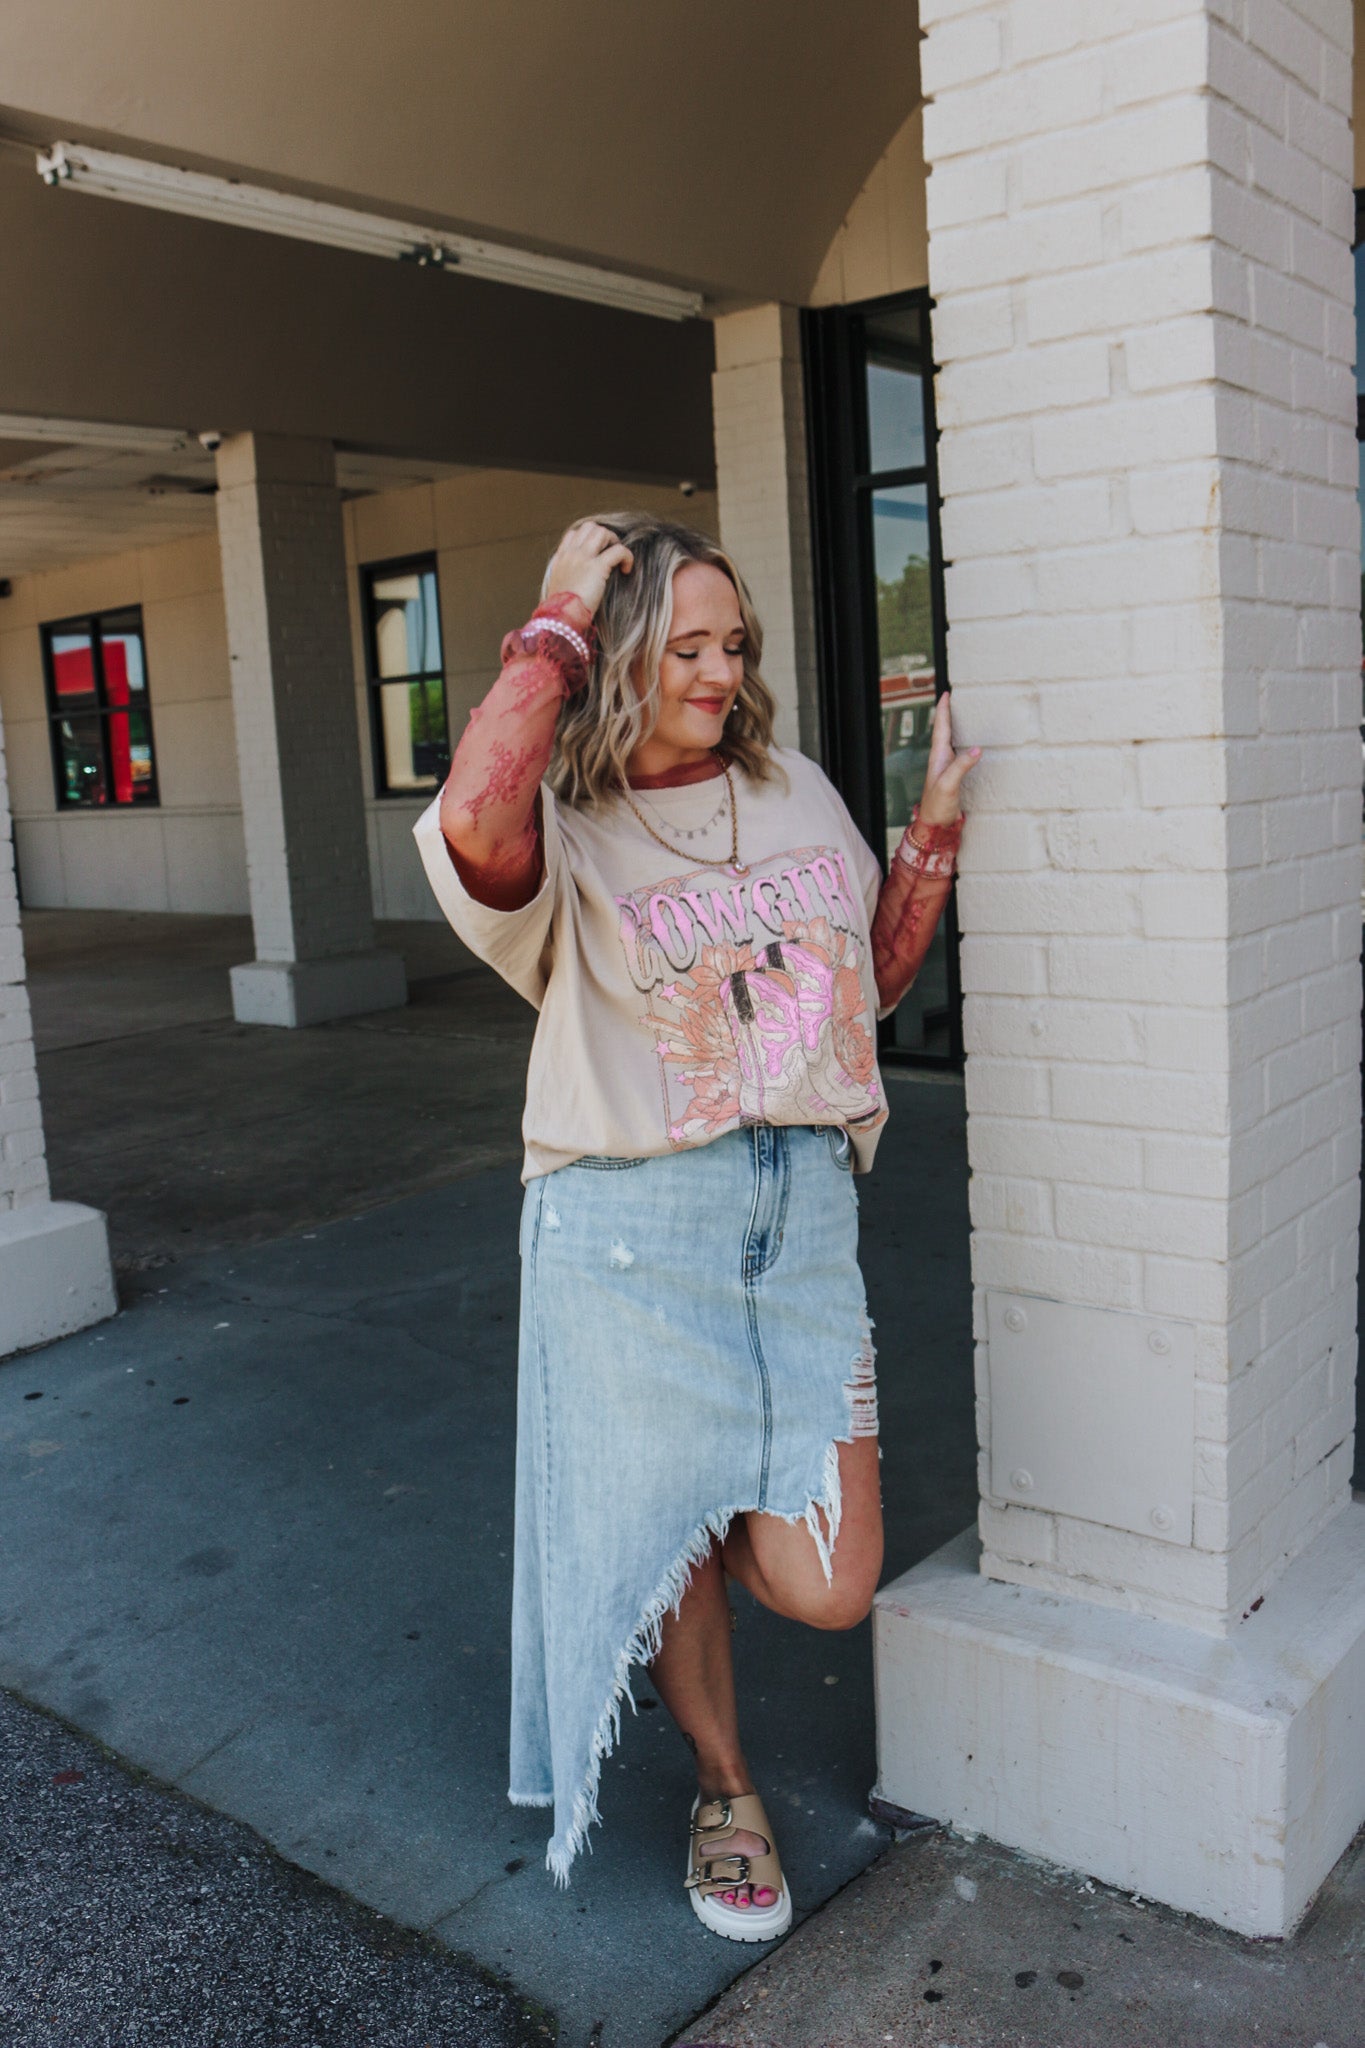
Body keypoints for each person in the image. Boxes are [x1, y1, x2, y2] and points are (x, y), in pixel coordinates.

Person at [414, 514, 978, 1941]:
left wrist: (927, 837)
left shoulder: (788, 789)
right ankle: (726, 1789)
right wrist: (554, 609)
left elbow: (864, 986)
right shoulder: (561, 822)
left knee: (827, 1579)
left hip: (796, 1227)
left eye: (735, 645)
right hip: (627, 1230)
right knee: (671, 1534)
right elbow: (474, 816)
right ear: (615, 656)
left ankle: (686, 1493)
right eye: (687, 647)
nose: (721, 672)